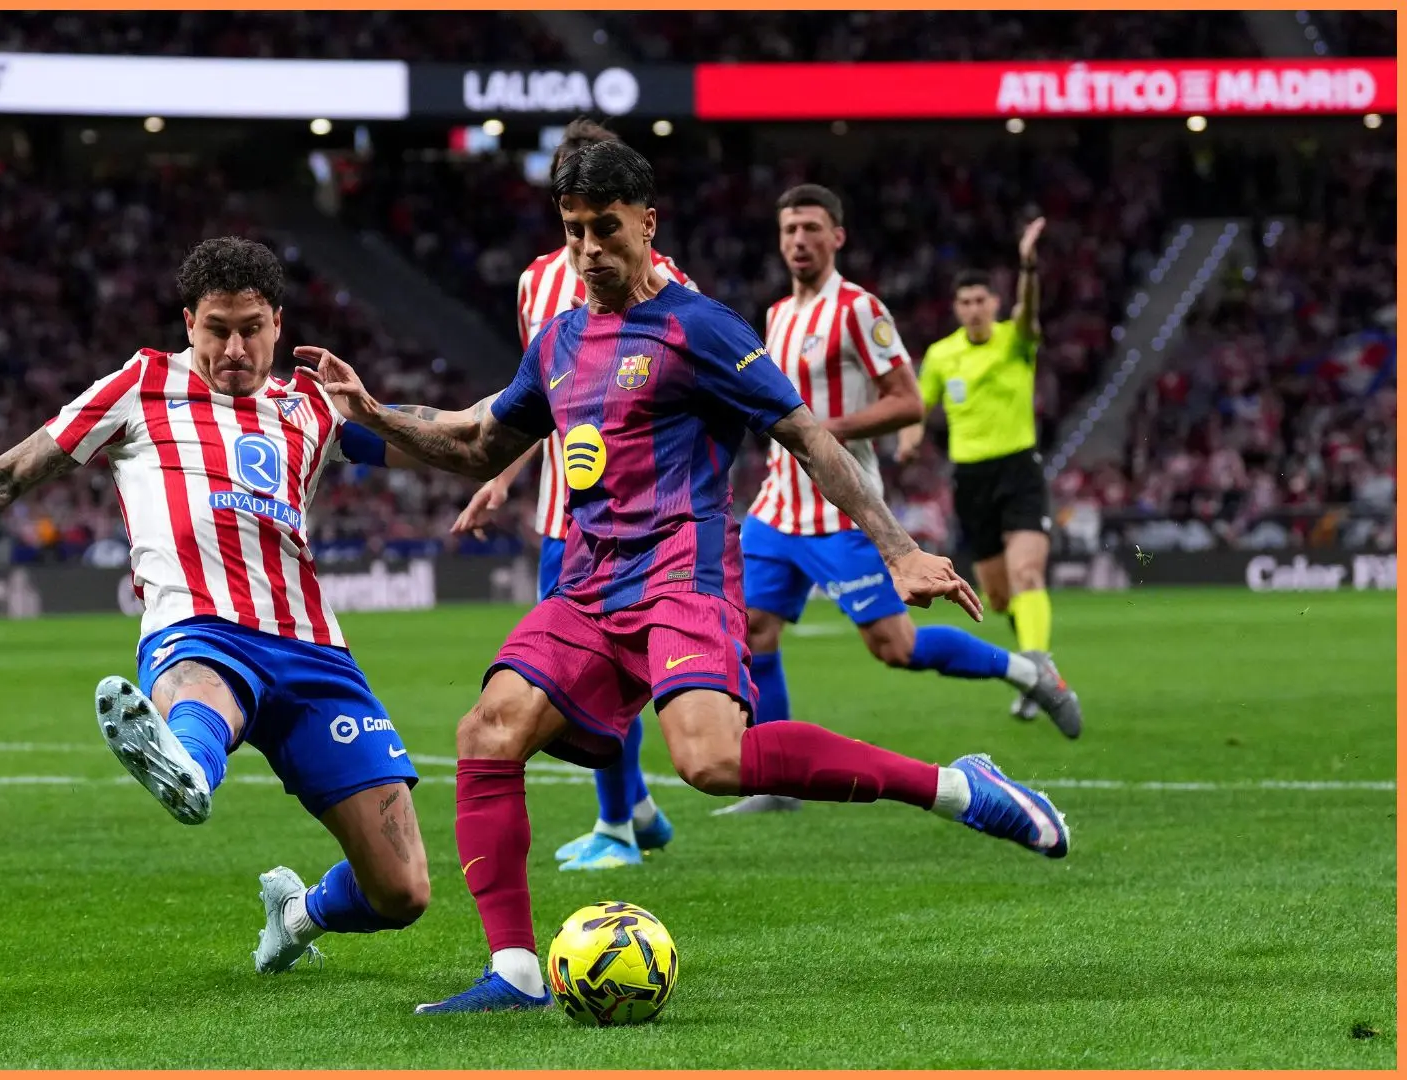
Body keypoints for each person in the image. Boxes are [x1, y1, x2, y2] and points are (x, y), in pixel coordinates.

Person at [302, 141, 1072, 1015]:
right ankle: (514, 970)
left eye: (605, 228)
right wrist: (374, 417)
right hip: (589, 584)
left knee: (710, 760)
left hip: (682, 575)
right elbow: (481, 442)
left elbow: (807, 436)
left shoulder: (699, 327)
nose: (588, 249)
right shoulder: (559, 340)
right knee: (488, 729)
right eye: (573, 231)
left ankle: (958, 787)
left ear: (647, 223)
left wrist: (896, 548)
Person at [0, 237, 432, 976]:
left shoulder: (315, 405)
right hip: (199, 629)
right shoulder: (141, 384)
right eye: (216, 329)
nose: (234, 348)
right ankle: (189, 765)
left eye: (251, 329)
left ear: (278, 323)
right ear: (188, 322)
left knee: (402, 892)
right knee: (205, 692)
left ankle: (296, 914)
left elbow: (448, 436)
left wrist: (528, 411)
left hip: (313, 650)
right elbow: (7, 476)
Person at [721, 188, 1081, 816]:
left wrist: (829, 429)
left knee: (896, 647)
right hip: (776, 506)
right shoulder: (776, 315)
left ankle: (1029, 672)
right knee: (753, 631)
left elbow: (910, 402)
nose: (799, 240)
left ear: (837, 237)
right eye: (789, 229)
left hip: (840, 510)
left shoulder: (859, 310)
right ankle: (778, 784)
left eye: (811, 228)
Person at [453, 118, 695, 872]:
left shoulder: (669, 283)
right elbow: (541, 399)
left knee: (601, 676)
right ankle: (635, 811)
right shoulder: (536, 282)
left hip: (640, 524)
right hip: (563, 517)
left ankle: (617, 825)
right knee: (576, 674)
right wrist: (499, 476)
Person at [896, 219, 1067, 723]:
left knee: (1027, 571)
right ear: (957, 307)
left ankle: (1037, 671)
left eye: (981, 300)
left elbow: (1029, 313)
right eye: (965, 302)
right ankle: (1037, 671)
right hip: (970, 480)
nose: (973, 309)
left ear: (995, 303)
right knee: (999, 594)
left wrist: (1028, 266)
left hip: (1018, 470)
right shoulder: (941, 355)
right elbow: (918, 407)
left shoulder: (1016, 339)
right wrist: (909, 441)